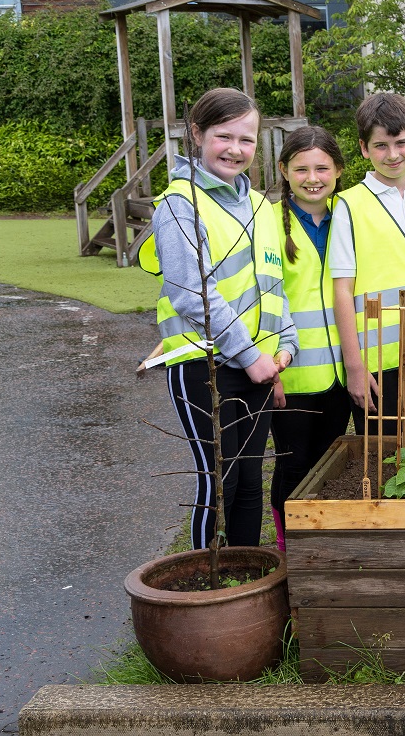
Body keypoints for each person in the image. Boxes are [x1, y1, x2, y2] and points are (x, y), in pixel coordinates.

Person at [139, 88, 296, 550]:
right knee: (218, 485)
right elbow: (193, 294)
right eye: (222, 136)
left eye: (246, 140)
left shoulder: (261, 207)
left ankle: (244, 579)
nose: (235, 149)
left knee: (249, 481)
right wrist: (250, 355)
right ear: (197, 134)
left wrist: (285, 345)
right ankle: (208, 587)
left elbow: (274, 285)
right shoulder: (178, 205)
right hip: (202, 366)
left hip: (260, 369)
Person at [331, 92, 405, 437]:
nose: (392, 155)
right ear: (364, 148)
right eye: (381, 145)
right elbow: (342, 291)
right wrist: (354, 366)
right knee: (384, 453)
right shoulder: (348, 205)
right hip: (378, 359)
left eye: (401, 143)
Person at [268, 126, 350, 552]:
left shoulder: (350, 215)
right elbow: (262, 299)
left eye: (322, 167)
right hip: (293, 372)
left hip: (342, 371)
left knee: (329, 460)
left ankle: (320, 538)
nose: (312, 177)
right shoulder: (266, 223)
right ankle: (287, 544)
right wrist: (271, 369)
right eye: (301, 168)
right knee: (293, 462)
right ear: (284, 170)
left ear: (338, 170)